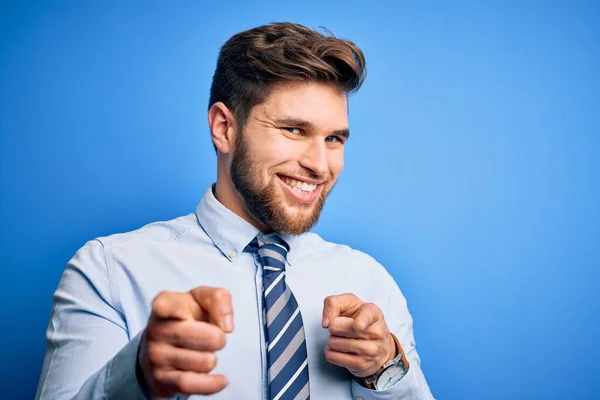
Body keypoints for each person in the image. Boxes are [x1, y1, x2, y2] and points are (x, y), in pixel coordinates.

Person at [35, 22, 434, 400]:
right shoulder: (110, 271)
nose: (320, 164)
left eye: (333, 138)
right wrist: (135, 374)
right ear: (224, 128)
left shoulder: (369, 282)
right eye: (294, 130)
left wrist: (384, 367)